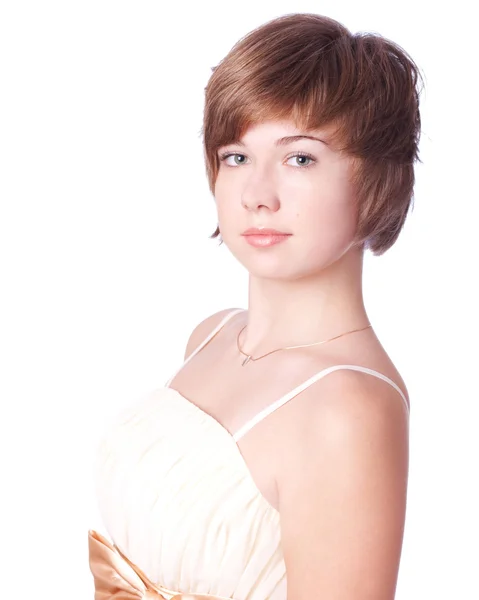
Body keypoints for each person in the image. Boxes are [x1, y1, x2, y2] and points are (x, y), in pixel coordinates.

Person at [88, 12, 422, 600]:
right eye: (236, 156)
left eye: (300, 159)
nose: (257, 196)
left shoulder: (348, 409)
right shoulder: (211, 335)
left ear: (377, 179)